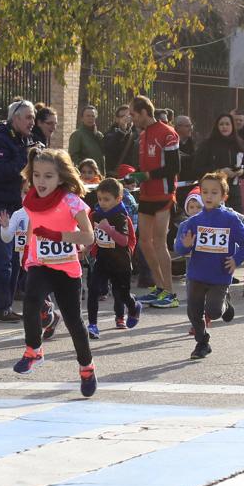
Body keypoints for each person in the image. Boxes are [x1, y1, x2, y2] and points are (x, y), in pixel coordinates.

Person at [8, 149, 98, 397]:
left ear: (61, 178)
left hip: (67, 268)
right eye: (36, 175)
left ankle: (86, 367)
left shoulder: (71, 201)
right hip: (41, 263)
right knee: (31, 298)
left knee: (74, 322)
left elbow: (88, 236)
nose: (41, 181)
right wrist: (27, 252)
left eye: (48, 176)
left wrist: (58, 236)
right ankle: (33, 350)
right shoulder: (30, 200)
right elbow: (31, 228)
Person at [174, 172, 244, 360]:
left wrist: (237, 259)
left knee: (214, 312)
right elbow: (179, 248)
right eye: (205, 192)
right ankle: (202, 343)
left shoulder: (230, 219)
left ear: (223, 197)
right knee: (194, 312)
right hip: (196, 274)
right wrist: (184, 245)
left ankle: (225, 302)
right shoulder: (192, 222)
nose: (209, 196)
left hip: (220, 274)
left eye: (214, 193)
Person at [0, 100, 41, 322]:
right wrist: (26, 157)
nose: (32, 122)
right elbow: (1, 170)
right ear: (15, 117)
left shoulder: (23, 139)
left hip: (15, 206)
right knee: (3, 258)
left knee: (16, 257)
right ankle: (0, 308)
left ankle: (8, 303)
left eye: (33, 118)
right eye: (28, 117)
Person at [131, 96, 182, 309]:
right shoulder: (142, 135)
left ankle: (170, 293)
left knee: (160, 242)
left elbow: (174, 167)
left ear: (144, 112)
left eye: (134, 114)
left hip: (163, 195)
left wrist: (147, 176)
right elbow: (144, 167)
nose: (132, 119)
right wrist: (135, 176)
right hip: (145, 195)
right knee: (144, 242)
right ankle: (159, 287)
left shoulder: (168, 133)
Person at [87, 177, 142, 338]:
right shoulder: (95, 215)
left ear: (118, 199)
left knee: (121, 294)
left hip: (121, 262)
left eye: (106, 199)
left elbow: (124, 241)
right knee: (93, 290)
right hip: (102, 260)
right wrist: (87, 246)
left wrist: (108, 229)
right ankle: (92, 324)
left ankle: (130, 309)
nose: (102, 203)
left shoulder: (120, 217)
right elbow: (93, 236)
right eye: (99, 199)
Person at [194, 113, 244, 210]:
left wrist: (242, 172)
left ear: (232, 126)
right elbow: (197, 168)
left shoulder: (240, 144)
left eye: (227, 124)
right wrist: (220, 172)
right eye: (221, 124)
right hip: (213, 192)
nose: (224, 127)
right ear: (217, 126)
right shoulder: (207, 144)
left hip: (234, 192)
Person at [103, 105, 138, 177]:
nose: (127, 118)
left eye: (129, 115)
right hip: (117, 175)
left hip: (132, 173)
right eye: (123, 116)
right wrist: (121, 131)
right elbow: (110, 149)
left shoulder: (138, 133)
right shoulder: (110, 134)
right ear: (116, 119)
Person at [174, 114, 199, 184]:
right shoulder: (171, 143)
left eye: (191, 125)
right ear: (178, 127)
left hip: (192, 184)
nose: (191, 128)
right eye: (187, 126)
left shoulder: (196, 143)